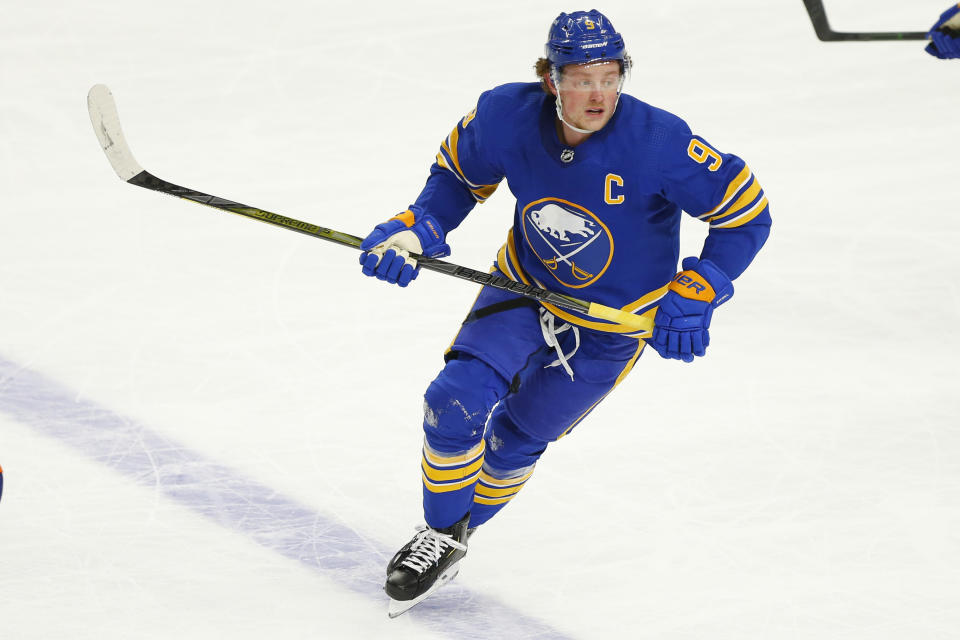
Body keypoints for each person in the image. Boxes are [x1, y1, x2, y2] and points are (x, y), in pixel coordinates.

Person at [358, 10, 771, 616]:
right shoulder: (505, 114)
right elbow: (455, 175)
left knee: (516, 439)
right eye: (581, 77)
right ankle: (440, 535)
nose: (598, 93)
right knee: (454, 401)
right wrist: (420, 227)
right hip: (524, 290)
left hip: (612, 329)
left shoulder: (660, 141)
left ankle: (459, 532)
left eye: (611, 76)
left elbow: (745, 212)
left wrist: (703, 285)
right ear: (550, 79)